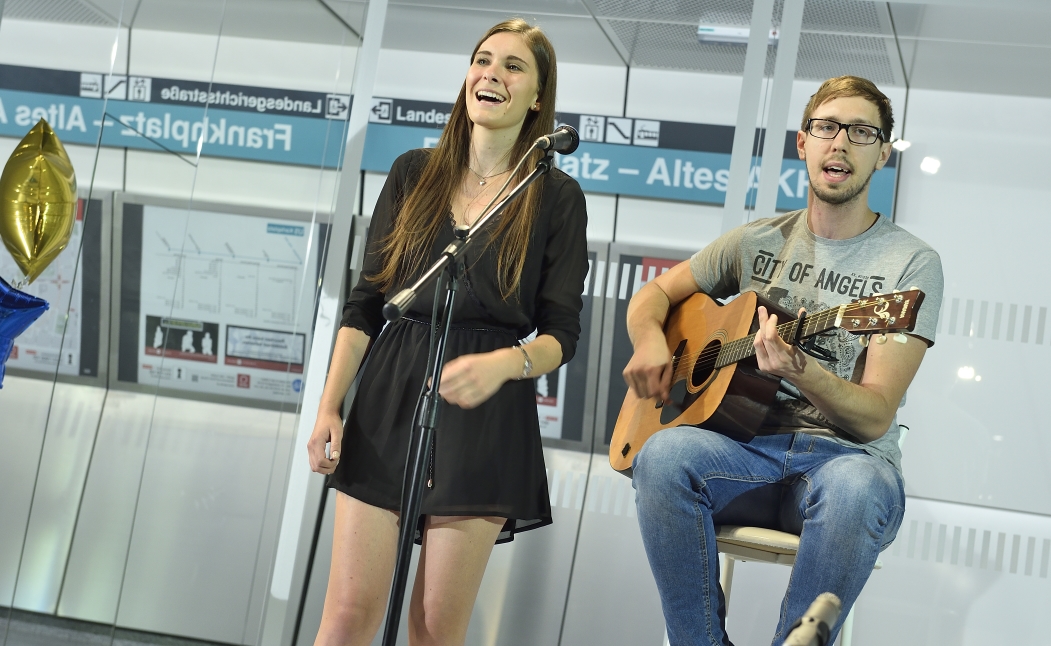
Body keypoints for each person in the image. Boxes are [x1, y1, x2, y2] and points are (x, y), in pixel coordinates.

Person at [622, 75, 943, 646]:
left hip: (843, 462)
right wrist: (650, 341)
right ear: (803, 142)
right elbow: (653, 296)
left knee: (857, 489)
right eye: (827, 127)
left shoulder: (908, 264)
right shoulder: (755, 241)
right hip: (742, 452)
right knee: (664, 453)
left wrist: (804, 371)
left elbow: (873, 418)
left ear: (882, 154)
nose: (840, 142)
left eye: (862, 132)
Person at [305, 18, 588, 646]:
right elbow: (365, 305)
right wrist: (329, 407)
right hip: (389, 395)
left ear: (539, 97)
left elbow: (562, 335)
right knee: (349, 613)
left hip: (484, 408)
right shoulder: (413, 173)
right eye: (483, 60)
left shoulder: (557, 197)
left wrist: (506, 363)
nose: (491, 74)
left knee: (433, 629)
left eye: (514, 66)